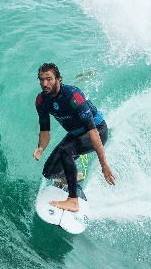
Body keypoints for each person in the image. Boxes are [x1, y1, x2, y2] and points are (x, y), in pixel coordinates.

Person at [33, 62, 115, 212]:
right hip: (75, 134)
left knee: (66, 150)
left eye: (49, 79)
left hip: (97, 130)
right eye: (41, 79)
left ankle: (73, 201)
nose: (45, 83)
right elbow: (45, 130)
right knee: (49, 172)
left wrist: (104, 164)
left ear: (58, 79)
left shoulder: (72, 95)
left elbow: (92, 131)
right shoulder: (41, 101)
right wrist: (40, 148)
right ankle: (72, 176)